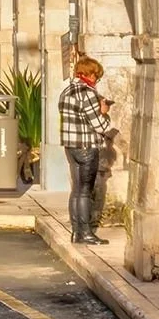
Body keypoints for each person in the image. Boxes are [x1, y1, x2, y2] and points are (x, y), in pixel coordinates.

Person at [60, 55, 111, 245]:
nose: (97, 80)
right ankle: (87, 233)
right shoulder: (87, 93)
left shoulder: (66, 92)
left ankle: (76, 232)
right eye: (96, 76)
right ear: (88, 74)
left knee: (76, 190)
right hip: (86, 146)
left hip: (71, 147)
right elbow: (99, 125)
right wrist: (104, 112)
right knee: (84, 192)